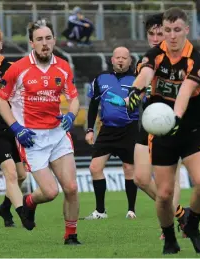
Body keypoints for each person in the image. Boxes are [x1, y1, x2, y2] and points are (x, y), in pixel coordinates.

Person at [128, 7, 200, 254]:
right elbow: (144, 74)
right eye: (167, 30)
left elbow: (185, 92)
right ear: (162, 31)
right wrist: (135, 91)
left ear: (186, 30)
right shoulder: (154, 54)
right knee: (164, 195)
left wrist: (175, 118)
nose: (172, 35)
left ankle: (192, 226)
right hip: (162, 132)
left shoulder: (197, 60)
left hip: (191, 128)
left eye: (177, 30)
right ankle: (170, 239)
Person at [0, 18, 81, 245]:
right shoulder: (18, 69)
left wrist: (71, 115)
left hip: (57, 134)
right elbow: (0, 101)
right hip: (32, 138)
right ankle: (30, 201)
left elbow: (74, 98)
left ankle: (71, 236)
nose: (45, 43)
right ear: (32, 43)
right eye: (39, 39)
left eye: (48, 38)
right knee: (51, 192)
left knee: (71, 187)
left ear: (54, 40)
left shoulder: (63, 66)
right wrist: (16, 128)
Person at [134, 13, 188, 240]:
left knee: (170, 180)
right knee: (140, 178)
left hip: (172, 123)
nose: (156, 38)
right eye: (152, 34)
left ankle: (167, 232)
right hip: (148, 122)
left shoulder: (182, 59)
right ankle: (180, 214)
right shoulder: (145, 61)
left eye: (160, 33)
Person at [84, 46, 138, 220]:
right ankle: (100, 211)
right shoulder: (101, 79)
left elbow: (142, 102)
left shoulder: (137, 79)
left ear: (130, 61)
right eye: (118, 57)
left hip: (129, 129)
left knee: (129, 169)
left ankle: (131, 210)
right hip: (107, 129)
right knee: (95, 167)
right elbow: (93, 105)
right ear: (112, 60)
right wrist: (90, 129)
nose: (121, 60)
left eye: (125, 57)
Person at [0, 25, 34, 230]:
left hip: (13, 127)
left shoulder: (12, 67)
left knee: (21, 175)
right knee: (11, 174)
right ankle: (22, 213)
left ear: (1, 44)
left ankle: (4, 208)